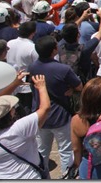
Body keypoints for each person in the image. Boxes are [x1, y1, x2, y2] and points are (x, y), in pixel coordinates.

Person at [28, 35, 83, 177]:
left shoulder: (32, 67)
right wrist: (71, 89)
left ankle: (42, 176)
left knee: (42, 150)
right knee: (66, 150)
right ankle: (66, 177)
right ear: (53, 50)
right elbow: (79, 86)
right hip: (60, 115)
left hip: (40, 115)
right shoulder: (63, 69)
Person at [0, 75, 50, 179]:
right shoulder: (19, 129)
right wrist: (41, 87)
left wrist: (14, 84)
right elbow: (45, 108)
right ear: (10, 114)